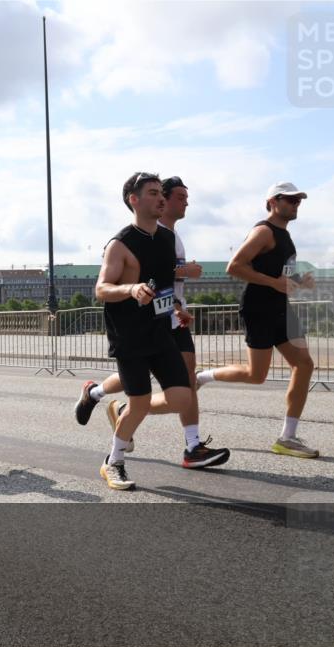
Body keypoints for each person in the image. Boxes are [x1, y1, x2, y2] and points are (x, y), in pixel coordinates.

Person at [74, 176, 228, 469]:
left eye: (161, 193)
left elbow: (164, 283)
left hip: (160, 331)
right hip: (129, 335)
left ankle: (123, 411)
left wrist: (177, 308)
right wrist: (131, 289)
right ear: (134, 200)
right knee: (141, 402)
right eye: (154, 193)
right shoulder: (120, 244)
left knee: (181, 397)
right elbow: (101, 289)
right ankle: (114, 462)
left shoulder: (167, 239)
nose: (161, 198)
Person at [196, 182, 318, 458]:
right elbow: (235, 266)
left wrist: (300, 281)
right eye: (291, 200)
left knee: (304, 364)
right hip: (259, 308)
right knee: (256, 375)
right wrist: (274, 283)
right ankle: (202, 377)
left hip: (281, 308)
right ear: (273, 202)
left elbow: (280, 275)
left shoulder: (285, 235)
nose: (296, 204)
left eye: (298, 200)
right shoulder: (263, 231)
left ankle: (287, 437)